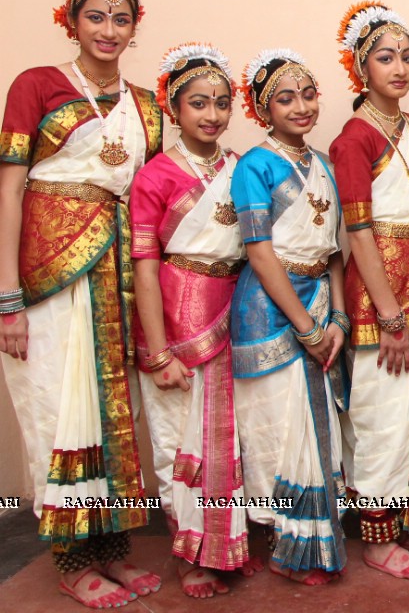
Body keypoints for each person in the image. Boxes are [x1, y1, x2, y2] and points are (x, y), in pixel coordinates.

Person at [0, 0, 162, 609]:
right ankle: (72, 560)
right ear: (70, 19)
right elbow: (9, 192)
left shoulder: (147, 104)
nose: (108, 29)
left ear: (135, 25)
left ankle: (111, 550)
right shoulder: (36, 84)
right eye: (94, 15)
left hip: (116, 275)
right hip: (50, 275)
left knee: (112, 412)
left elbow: (154, 196)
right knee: (61, 410)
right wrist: (6, 298)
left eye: (120, 18)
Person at [330, 2, 409, 579]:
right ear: (362, 68)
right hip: (378, 294)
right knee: (382, 416)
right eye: (386, 57)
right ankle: (378, 540)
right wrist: (386, 315)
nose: (401, 67)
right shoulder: (353, 139)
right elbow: (357, 231)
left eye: (407, 56)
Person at [130, 43, 260, 597]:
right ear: (174, 109)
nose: (212, 115)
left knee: (229, 438)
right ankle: (189, 553)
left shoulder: (239, 168)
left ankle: (226, 543)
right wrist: (157, 350)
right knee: (177, 437)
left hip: (234, 310)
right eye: (198, 104)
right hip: (175, 315)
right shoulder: (155, 176)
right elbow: (143, 265)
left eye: (221, 103)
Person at [231, 49, 349, 584]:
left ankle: (318, 544)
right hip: (271, 310)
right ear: (263, 109)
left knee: (320, 419)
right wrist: (305, 327)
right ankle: (289, 543)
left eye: (307, 94)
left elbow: (333, 253)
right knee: (279, 428)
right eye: (285, 98)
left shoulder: (322, 163)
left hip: (321, 304)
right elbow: (259, 252)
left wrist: (339, 320)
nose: (300, 106)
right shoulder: (254, 166)